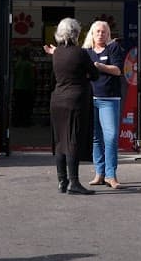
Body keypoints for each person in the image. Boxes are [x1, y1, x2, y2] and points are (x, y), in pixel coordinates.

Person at [47, 18, 100, 195]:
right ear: (76, 33)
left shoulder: (57, 53)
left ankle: (62, 181)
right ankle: (74, 182)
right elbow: (94, 75)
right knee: (73, 140)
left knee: (60, 141)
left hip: (57, 99)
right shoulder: (80, 53)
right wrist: (84, 76)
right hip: (75, 100)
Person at [83, 20, 125, 189]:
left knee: (111, 137)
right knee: (95, 138)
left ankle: (111, 175)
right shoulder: (86, 52)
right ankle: (99, 174)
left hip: (109, 99)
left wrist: (100, 66)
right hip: (91, 99)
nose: (101, 34)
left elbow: (118, 70)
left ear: (108, 34)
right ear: (92, 34)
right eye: (98, 31)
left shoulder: (113, 48)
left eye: (104, 32)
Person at [11, 47, 36, 127]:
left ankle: (17, 122)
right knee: (26, 107)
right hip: (26, 88)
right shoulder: (29, 65)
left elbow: (14, 76)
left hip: (18, 88)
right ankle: (26, 122)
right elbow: (32, 78)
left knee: (18, 107)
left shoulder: (18, 64)